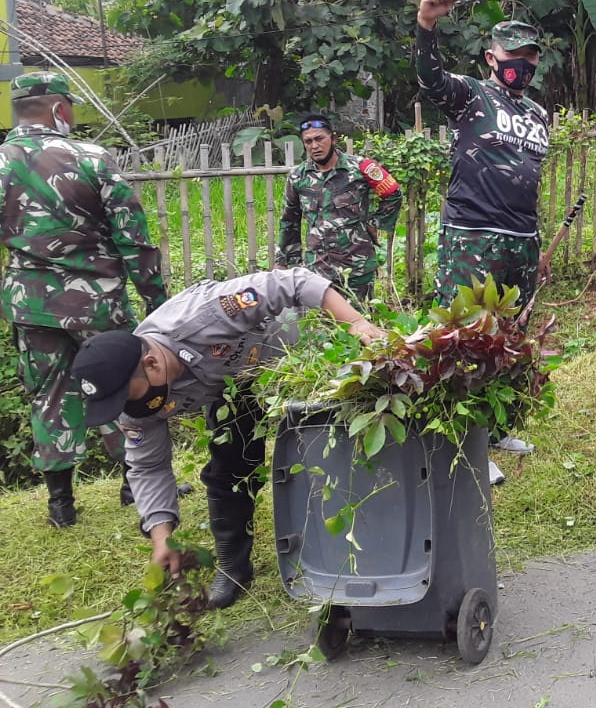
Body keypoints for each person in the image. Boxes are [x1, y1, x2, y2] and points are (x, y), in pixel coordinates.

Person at [70, 267, 384, 609]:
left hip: (298, 355)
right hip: (232, 385)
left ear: (152, 364)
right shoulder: (133, 403)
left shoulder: (205, 315)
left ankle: (360, 543)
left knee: (329, 445)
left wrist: (355, 323)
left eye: (127, 397)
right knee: (230, 465)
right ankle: (233, 567)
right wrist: (162, 538)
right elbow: (147, 467)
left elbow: (295, 282)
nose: (127, 410)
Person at [0, 71, 168, 527]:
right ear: (59, 109)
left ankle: (61, 504)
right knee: (123, 381)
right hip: (97, 302)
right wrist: (157, 300)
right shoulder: (91, 158)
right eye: (70, 108)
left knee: (48, 392)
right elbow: (133, 238)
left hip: (30, 303)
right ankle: (135, 485)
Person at [414, 0, 549, 483]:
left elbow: (530, 181)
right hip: (472, 235)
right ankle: (461, 439)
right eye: (513, 55)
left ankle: (496, 427)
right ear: (492, 58)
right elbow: (429, 79)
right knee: (464, 337)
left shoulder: (537, 113)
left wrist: (536, 243)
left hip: (520, 239)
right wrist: (427, 23)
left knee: (510, 337)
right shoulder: (471, 95)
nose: (522, 64)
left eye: (529, 56)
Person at [277, 113, 402, 303]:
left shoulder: (361, 168)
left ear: (333, 139)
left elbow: (393, 194)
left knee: (360, 319)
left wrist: (374, 223)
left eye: (319, 139)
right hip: (317, 270)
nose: (315, 146)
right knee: (321, 320)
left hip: (357, 267)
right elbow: (289, 221)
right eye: (308, 141)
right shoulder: (297, 177)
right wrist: (285, 262)